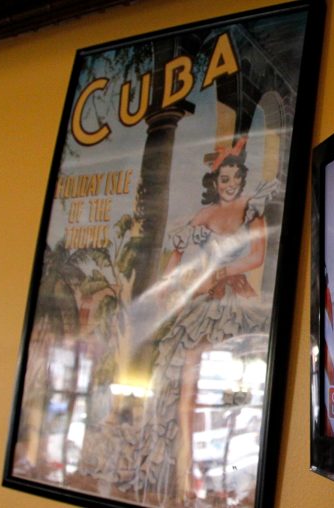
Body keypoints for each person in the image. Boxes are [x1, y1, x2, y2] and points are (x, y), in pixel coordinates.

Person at [108, 137, 270, 504]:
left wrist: (224, 270)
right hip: (199, 303)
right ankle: (185, 474)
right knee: (187, 383)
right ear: (214, 183)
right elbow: (177, 259)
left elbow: (257, 255)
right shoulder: (201, 216)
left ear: (242, 179)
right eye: (223, 180)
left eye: (234, 179)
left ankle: (227, 479)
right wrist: (170, 287)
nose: (229, 185)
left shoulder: (251, 210)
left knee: (227, 389)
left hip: (231, 301)